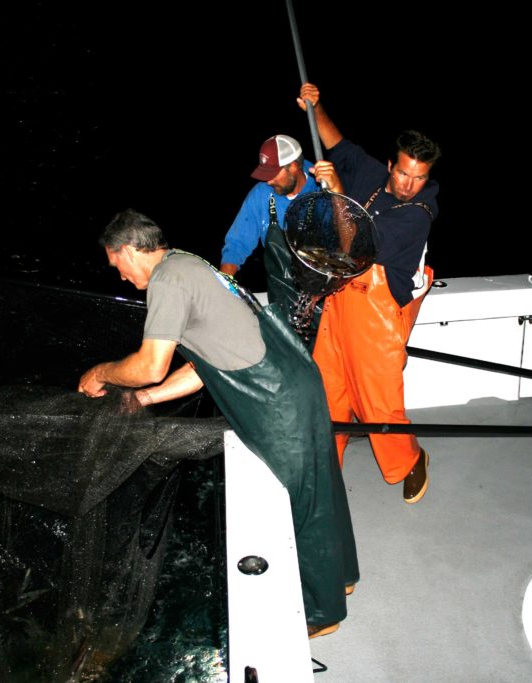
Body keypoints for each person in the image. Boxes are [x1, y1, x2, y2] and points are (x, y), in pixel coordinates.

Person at [78, 209, 359, 637]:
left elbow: (151, 364)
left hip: (274, 397)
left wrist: (101, 373)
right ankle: (342, 577)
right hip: (292, 378)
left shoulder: (167, 281)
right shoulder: (190, 264)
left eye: (116, 263)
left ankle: (321, 613)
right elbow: (205, 363)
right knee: (320, 486)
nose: (118, 275)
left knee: (302, 502)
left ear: (130, 250)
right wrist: (146, 398)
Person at [296, 82, 441, 504]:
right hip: (340, 300)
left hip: (379, 316)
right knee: (328, 393)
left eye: (420, 177)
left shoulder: (418, 215)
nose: (409, 184)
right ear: (391, 162)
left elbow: (358, 242)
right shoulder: (371, 172)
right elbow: (334, 141)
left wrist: (337, 193)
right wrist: (315, 104)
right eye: (403, 172)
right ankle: (326, 473)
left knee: (378, 404)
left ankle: (410, 460)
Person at [219, 135, 323, 345]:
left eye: (273, 174)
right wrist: (223, 288)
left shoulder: (324, 192)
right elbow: (236, 246)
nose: (268, 181)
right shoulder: (262, 195)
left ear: (293, 167)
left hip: (322, 304)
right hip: (281, 297)